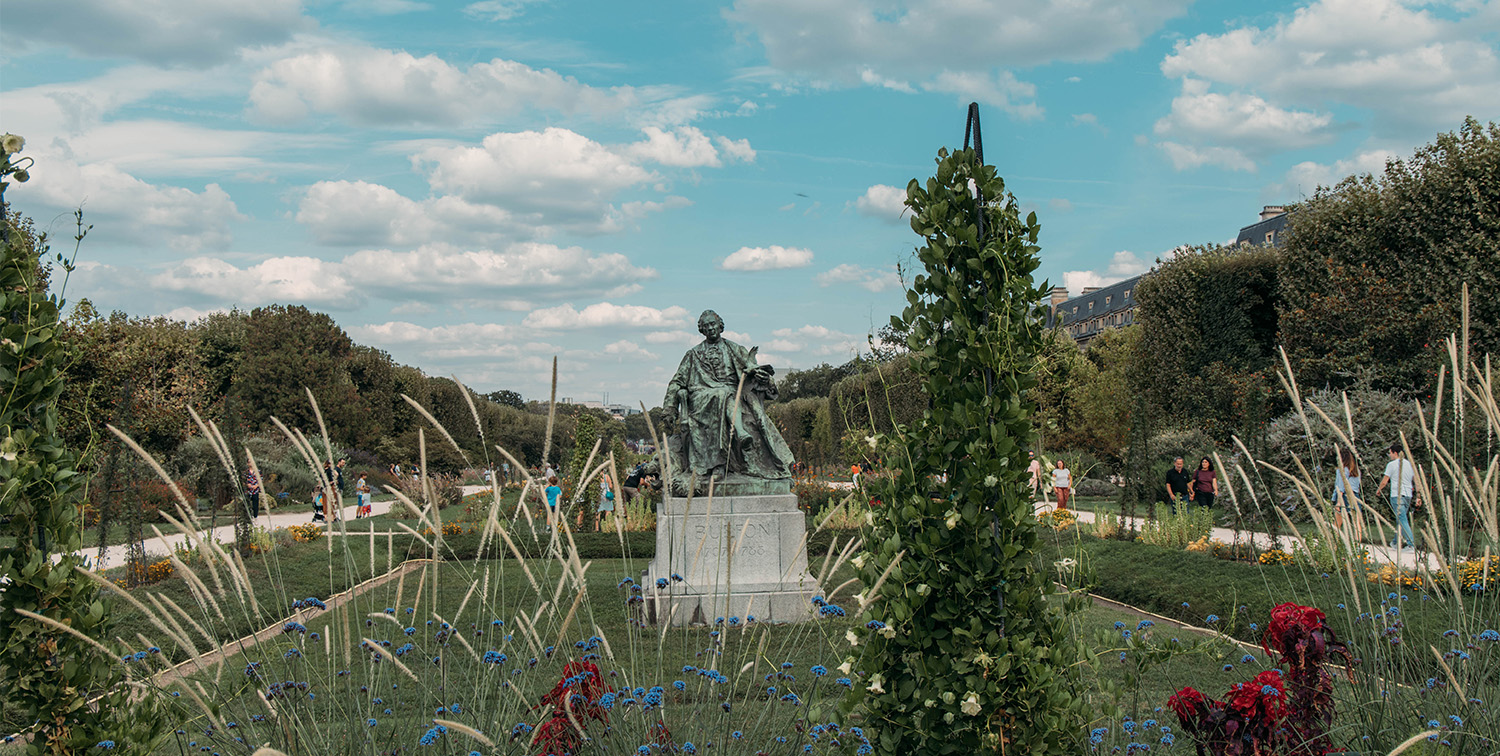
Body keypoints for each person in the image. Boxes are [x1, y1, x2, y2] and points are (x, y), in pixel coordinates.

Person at [662, 310, 795, 493]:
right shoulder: (692, 354)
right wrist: (669, 407)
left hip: (732, 393)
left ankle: (733, 447)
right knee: (722, 394)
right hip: (701, 396)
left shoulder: (734, 349)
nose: (710, 328)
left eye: (713, 324)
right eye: (706, 326)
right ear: (701, 330)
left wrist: (761, 377)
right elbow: (677, 381)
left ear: (720, 326)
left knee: (726, 394)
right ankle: (731, 443)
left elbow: (751, 369)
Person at [1375, 444, 1416, 549]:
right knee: (1400, 518)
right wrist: (1418, 494)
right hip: (1408, 495)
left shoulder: (1392, 465)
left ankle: (1411, 544)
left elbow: (1385, 481)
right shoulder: (1410, 464)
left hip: (1397, 495)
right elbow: (1416, 479)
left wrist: (1379, 490)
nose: (1389, 455)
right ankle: (1395, 542)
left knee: (1402, 518)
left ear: (1395, 453)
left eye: (1390, 453)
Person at [1331, 446, 1362, 539]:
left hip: (1344, 496)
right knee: (1357, 523)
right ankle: (1357, 546)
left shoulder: (1341, 469)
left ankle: (1334, 544)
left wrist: (1338, 502)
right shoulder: (1357, 470)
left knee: (1336, 524)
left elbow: (1341, 486)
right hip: (1355, 496)